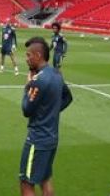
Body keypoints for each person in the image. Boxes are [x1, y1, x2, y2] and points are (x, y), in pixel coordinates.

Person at [19, 37, 73, 196]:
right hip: (52, 138)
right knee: (45, 178)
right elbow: (68, 98)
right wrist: (51, 112)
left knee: (26, 183)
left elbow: (26, 110)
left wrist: (27, 86)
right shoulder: (56, 74)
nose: (26, 59)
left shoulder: (38, 80)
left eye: (29, 55)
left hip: (37, 140)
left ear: (38, 55)